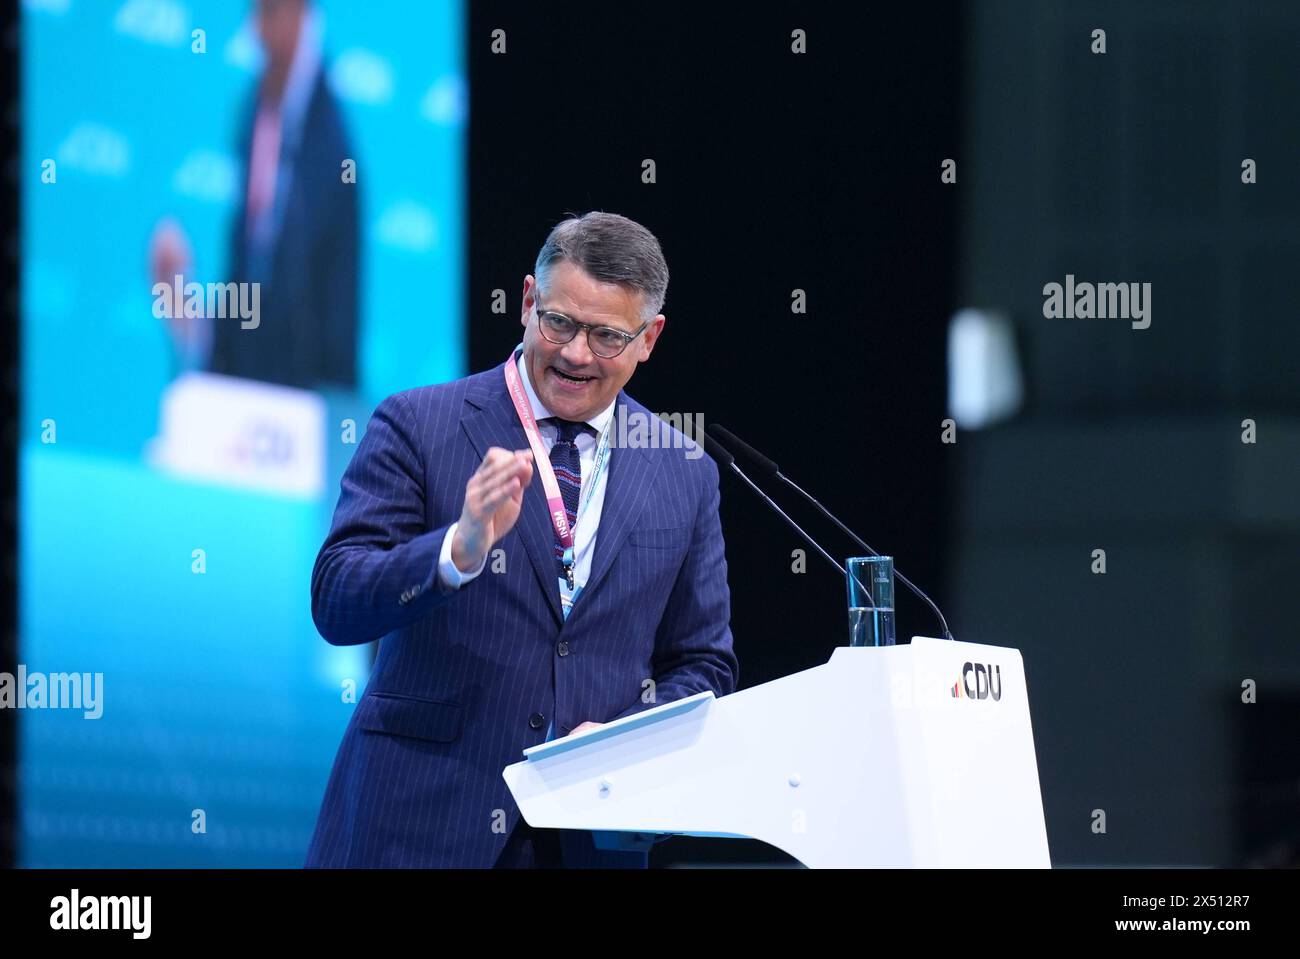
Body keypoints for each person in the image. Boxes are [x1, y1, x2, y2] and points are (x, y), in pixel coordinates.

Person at [305, 212, 738, 868]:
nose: (575, 353)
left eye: (606, 335)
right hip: (415, 830)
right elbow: (337, 598)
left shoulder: (684, 471)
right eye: (559, 321)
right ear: (528, 300)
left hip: (587, 840)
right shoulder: (420, 423)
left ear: (649, 338)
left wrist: (631, 736)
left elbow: (704, 665)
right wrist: (456, 551)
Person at [150, 0, 358, 389]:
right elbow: (249, 270)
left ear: (301, 12)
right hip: (243, 385)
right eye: (255, 13)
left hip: (307, 399)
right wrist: (192, 321)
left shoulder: (332, 144)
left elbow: (324, 316)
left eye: (269, 12)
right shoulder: (252, 111)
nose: (257, 32)